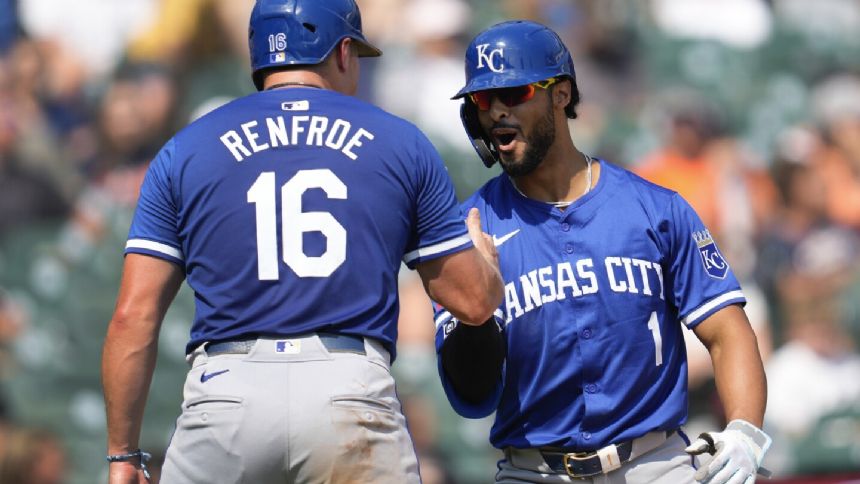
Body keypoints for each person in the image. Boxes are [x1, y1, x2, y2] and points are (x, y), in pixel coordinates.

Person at [101, 1, 503, 483]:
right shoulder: (400, 141)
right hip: (349, 392)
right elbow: (473, 303)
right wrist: (485, 262)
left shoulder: (185, 149)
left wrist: (123, 454)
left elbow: (133, 315)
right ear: (342, 51)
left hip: (226, 397)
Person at [433, 20, 771, 484]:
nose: (497, 112)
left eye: (515, 94)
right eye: (483, 99)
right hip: (533, 470)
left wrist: (744, 431)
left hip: (657, 464)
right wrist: (475, 304)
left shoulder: (655, 208)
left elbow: (727, 332)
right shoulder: (470, 231)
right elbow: (471, 396)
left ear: (562, 94)